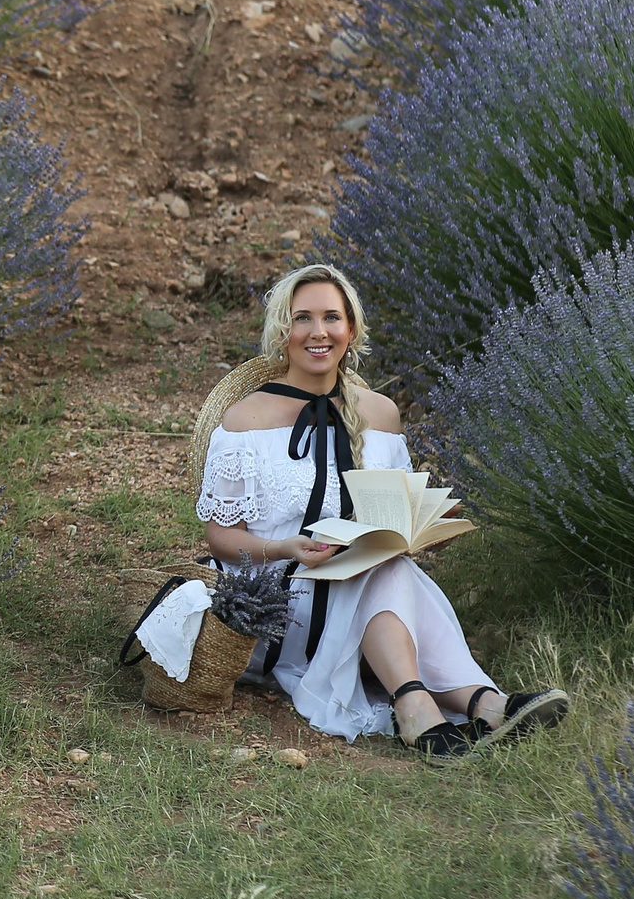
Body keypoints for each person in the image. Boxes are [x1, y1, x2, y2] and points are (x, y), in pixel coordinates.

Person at [188, 262, 568, 761]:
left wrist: (419, 532)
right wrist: (285, 547)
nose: (318, 332)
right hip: (277, 601)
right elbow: (221, 538)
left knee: (391, 560)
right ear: (283, 330)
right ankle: (463, 703)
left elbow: (389, 518)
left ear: (351, 329)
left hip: (362, 582)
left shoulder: (382, 416)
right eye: (303, 318)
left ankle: (451, 707)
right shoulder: (245, 420)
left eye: (331, 317)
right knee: (386, 570)